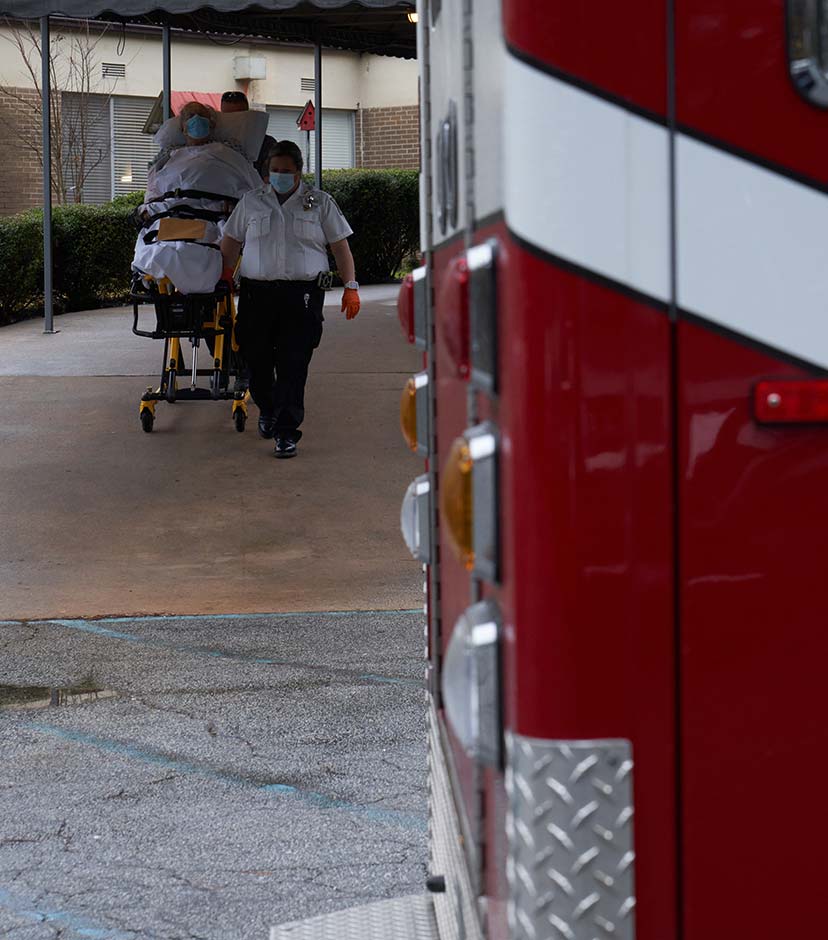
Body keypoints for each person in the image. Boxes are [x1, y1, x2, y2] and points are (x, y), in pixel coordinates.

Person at [220, 139, 360, 459]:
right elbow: (231, 242)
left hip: (303, 294)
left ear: (298, 171)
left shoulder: (320, 203)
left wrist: (350, 286)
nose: (279, 176)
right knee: (256, 359)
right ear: (267, 171)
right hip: (257, 293)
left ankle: (286, 431)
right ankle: (267, 408)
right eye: (274, 171)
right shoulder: (252, 202)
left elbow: (341, 248)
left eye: (286, 171)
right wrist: (224, 276)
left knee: (293, 363)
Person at [220, 90, 277, 179]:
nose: (233, 121)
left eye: (239, 116)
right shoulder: (214, 142)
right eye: (228, 116)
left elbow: (269, 179)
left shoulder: (266, 143)